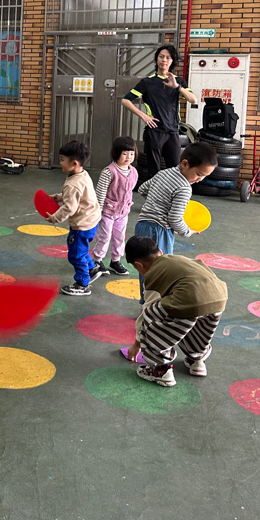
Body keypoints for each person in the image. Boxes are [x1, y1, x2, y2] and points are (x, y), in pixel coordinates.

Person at [123, 235, 228, 387]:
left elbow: (147, 311)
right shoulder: (178, 260)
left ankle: (161, 370)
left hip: (189, 301)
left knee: (150, 315)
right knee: (192, 322)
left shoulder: (153, 275)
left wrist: (137, 344)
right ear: (160, 251)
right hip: (218, 299)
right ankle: (197, 361)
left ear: (139, 265)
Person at [133, 141, 218, 301]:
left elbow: (143, 189)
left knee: (146, 269)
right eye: (199, 174)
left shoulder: (163, 173)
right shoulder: (184, 188)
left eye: (204, 176)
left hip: (142, 225)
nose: (200, 179)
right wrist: (187, 231)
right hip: (159, 231)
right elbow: (174, 218)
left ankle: (146, 302)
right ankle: (152, 306)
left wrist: (156, 202)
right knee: (161, 270)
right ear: (185, 164)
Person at [120, 44, 198, 177]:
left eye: (168, 57)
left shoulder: (178, 81)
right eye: (161, 57)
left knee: (175, 169)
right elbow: (125, 100)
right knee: (153, 170)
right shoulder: (147, 82)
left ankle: (172, 190)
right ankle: (154, 190)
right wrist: (143, 116)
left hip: (173, 130)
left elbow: (193, 100)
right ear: (156, 59)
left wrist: (177, 87)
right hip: (154, 130)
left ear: (172, 61)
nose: (164, 60)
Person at [45, 140, 101, 297]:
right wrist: (59, 197)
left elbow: (70, 207)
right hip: (92, 220)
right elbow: (77, 197)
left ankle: (83, 284)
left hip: (81, 226)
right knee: (82, 248)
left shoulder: (72, 184)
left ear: (74, 163)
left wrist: (55, 218)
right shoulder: (82, 174)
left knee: (76, 254)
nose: (60, 162)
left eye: (62, 159)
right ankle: (92, 268)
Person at [90, 136, 138, 280]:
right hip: (108, 212)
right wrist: (98, 211)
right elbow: (100, 192)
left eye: (131, 153)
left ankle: (115, 260)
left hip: (123, 212)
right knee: (104, 237)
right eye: (125, 153)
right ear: (116, 153)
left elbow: (130, 190)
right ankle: (97, 260)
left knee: (119, 237)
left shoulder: (134, 172)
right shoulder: (108, 172)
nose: (128, 157)